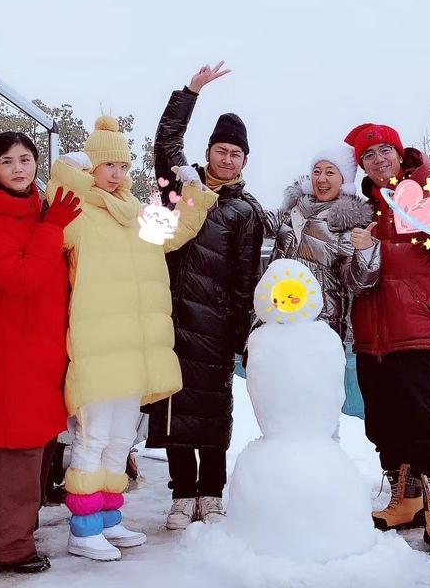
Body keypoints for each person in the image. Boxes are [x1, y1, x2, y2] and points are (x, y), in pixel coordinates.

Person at [46, 116, 217, 561]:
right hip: (99, 346)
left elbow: (178, 231)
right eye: (109, 165)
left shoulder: (139, 216)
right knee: (94, 437)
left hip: (135, 348)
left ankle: (107, 518)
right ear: (91, 168)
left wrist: (194, 192)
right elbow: (55, 206)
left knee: (122, 438)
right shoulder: (78, 213)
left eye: (124, 165)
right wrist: (65, 170)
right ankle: (82, 528)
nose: (118, 173)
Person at [344, 123, 430, 556]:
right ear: (362, 165)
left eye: (386, 150)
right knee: (383, 423)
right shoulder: (361, 207)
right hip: (371, 334)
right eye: (369, 155)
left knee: (427, 426)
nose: (379, 159)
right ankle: (406, 502)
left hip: (419, 331)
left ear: (400, 155)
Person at [143, 62, 265, 530]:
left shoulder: (245, 212)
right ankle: (182, 493)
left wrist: (240, 332)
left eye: (237, 153)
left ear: (245, 161)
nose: (228, 159)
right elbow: (165, 143)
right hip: (168, 319)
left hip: (214, 326)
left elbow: (246, 279)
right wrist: (190, 92)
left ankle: (211, 492)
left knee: (213, 409)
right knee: (174, 405)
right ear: (208, 152)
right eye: (221, 150)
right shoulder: (180, 186)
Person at [0, 132, 80, 573]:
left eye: (25, 159)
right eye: (7, 161)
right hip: (12, 355)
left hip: (41, 350)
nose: (18, 168)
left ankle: (20, 532)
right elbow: (22, 279)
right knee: (14, 449)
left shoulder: (36, 211)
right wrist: (52, 229)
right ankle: (8, 548)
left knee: (36, 445)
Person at [261, 143, 380, 342]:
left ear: (344, 180)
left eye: (330, 172)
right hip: (277, 320)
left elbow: (358, 285)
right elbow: (256, 221)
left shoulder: (346, 226)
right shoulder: (292, 212)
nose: (322, 178)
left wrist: (366, 251)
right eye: (317, 171)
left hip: (318, 329)